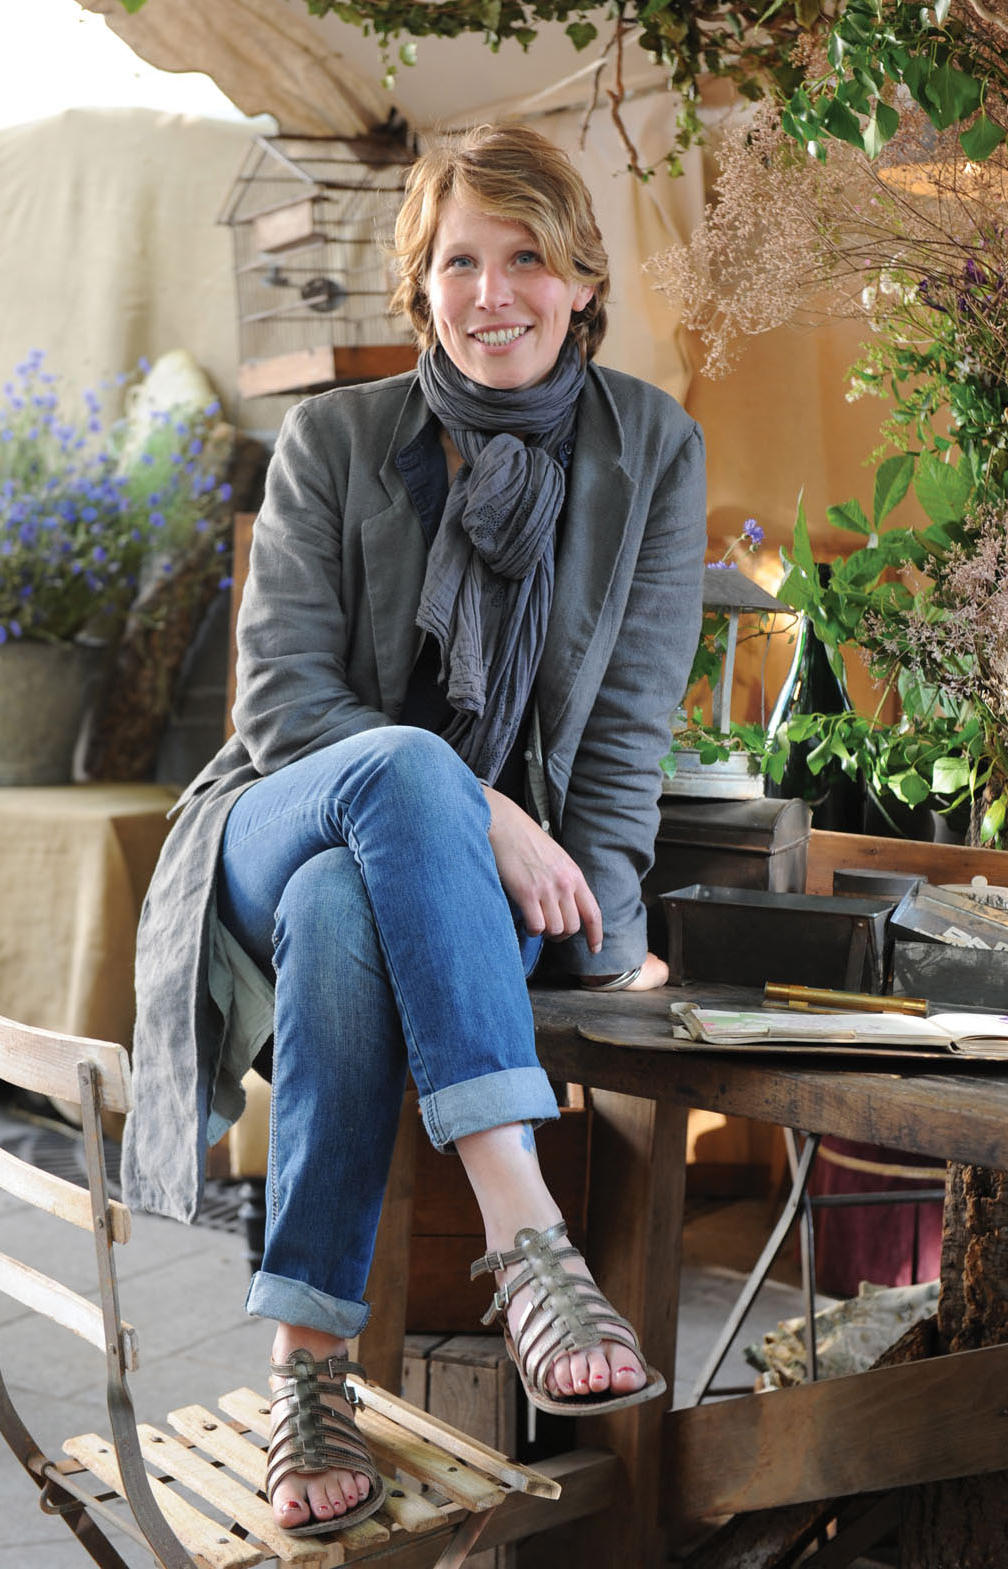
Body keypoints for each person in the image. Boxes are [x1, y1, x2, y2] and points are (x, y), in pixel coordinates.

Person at [121, 122, 706, 1538]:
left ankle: (304, 1367)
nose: (491, 292)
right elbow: (282, 707)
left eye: (526, 259)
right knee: (384, 789)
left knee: (346, 907)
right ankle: (527, 1228)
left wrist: (605, 930)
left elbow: (628, 730)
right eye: (458, 261)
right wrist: (479, 799)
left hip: (434, 894)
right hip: (279, 809)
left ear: (578, 282)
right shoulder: (332, 441)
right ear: (418, 282)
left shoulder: (652, 452)